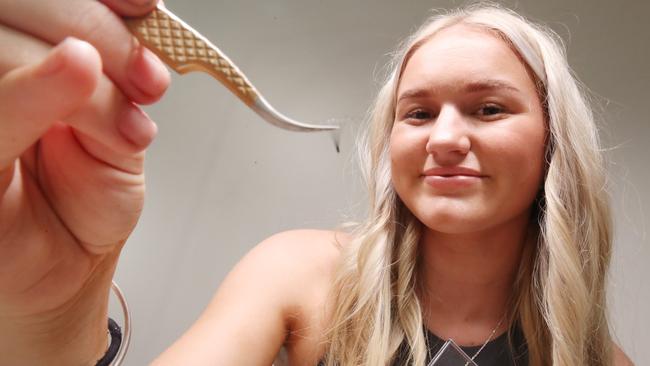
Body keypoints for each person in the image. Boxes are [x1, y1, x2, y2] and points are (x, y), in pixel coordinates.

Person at [0, 1, 636, 365]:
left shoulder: (602, 359)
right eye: (416, 113)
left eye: (488, 108)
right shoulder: (303, 275)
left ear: (555, 141)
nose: (442, 137)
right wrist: (55, 318)